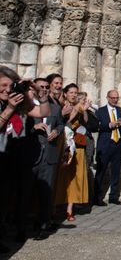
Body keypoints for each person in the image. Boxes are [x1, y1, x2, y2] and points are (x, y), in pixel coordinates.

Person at [0, 66, 50, 241]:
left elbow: (43, 112)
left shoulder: (18, 104)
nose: (7, 89)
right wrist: (9, 108)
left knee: (9, 197)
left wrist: (40, 94)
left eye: (10, 85)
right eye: (3, 85)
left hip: (15, 156)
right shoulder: (8, 106)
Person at [31, 77, 64, 237]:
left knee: (46, 192)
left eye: (45, 87)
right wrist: (33, 126)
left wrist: (57, 131)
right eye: (40, 87)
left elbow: (60, 124)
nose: (43, 89)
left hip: (49, 154)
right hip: (30, 153)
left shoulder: (55, 108)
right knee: (26, 192)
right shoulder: (26, 107)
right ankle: (21, 226)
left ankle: (42, 226)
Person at [54, 83, 89, 222]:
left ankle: (70, 208)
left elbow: (85, 121)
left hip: (77, 143)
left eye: (76, 92)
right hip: (64, 143)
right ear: (65, 94)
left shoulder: (78, 106)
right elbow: (65, 122)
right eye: (71, 92)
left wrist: (84, 110)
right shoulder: (62, 106)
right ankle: (56, 206)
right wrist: (74, 111)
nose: (74, 95)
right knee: (61, 175)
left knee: (74, 177)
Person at [94, 90, 121, 206]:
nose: (115, 100)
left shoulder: (120, 110)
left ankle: (114, 196)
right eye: (112, 98)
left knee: (116, 171)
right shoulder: (100, 111)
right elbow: (97, 126)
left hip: (117, 143)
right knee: (101, 171)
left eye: (117, 98)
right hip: (105, 143)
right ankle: (97, 197)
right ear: (107, 98)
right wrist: (109, 125)